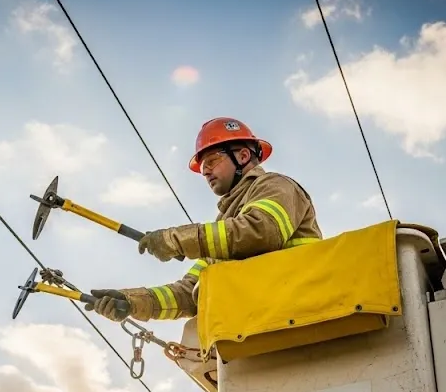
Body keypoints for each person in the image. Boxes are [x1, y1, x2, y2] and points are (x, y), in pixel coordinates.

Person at [86, 117, 322, 323]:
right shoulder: (225, 224)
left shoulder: (275, 185)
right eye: (202, 168)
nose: (206, 171)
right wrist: (132, 302)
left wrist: (175, 239)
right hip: (254, 327)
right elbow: (191, 293)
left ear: (242, 155)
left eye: (211, 161)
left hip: (301, 313)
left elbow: (260, 232)